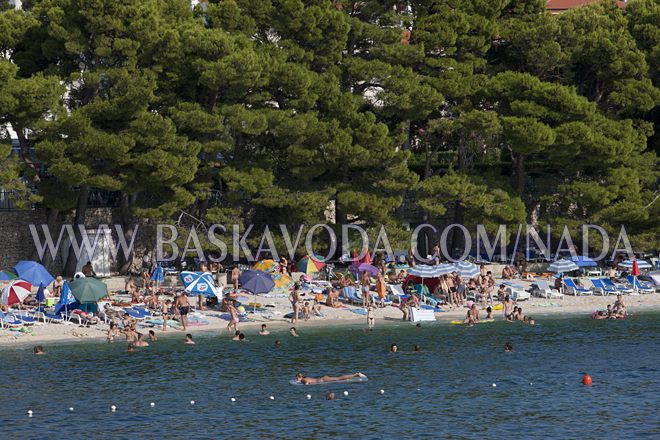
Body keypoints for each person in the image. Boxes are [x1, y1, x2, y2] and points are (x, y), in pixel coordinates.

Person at [294, 372, 367, 385]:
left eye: (297, 378)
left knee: (339, 378)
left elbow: (306, 383)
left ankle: (357, 374)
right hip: (323, 379)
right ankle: (355, 375)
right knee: (339, 378)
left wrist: (304, 384)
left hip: (323, 380)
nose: (296, 379)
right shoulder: (306, 378)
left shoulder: (303, 380)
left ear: (300, 377)